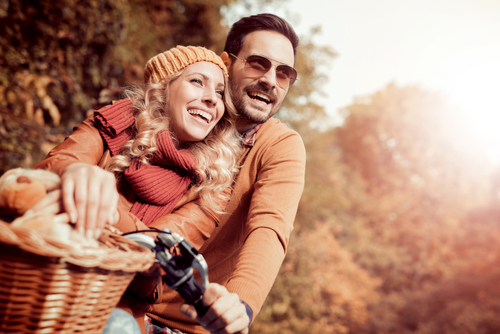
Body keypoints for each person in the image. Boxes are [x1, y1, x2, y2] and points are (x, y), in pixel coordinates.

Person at [32, 13, 305, 334]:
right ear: (226, 63)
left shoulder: (246, 161)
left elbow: (269, 229)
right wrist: (74, 173)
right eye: (258, 63)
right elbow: (52, 168)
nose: (271, 80)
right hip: (86, 285)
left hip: (182, 321)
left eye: (284, 73)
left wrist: (240, 304)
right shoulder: (133, 121)